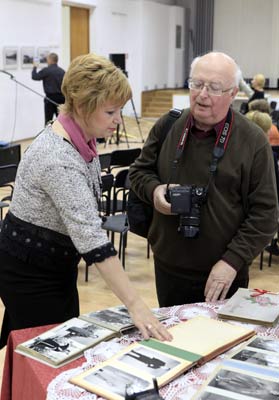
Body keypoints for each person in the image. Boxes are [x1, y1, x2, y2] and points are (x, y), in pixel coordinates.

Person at [0, 53, 172, 349]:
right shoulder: (57, 159)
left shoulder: (81, 139)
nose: (118, 121)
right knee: (46, 353)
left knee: (54, 343)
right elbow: (92, 239)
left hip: (56, 264)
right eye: (110, 112)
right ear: (81, 106)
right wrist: (135, 304)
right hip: (30, 272)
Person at [129, 51, 278, 307]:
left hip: (224, 274)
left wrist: (232, 261)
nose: (202, 94)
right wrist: (155, 191)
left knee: (221, 344)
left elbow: (265, 214)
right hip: (168, 266)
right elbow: (138, 173)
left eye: (214, 87)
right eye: (196, 84)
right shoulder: (168, 125)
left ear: (233, 94)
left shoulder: (252, 141)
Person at [32, 52, 65, 125]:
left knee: (48, 121)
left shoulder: (46, 70)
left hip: (50, 99)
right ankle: (61, 136)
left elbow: (35, 77)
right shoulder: (62, 71)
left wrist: (35, 67)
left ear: (50, 60)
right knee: (61, 122)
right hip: (62, 99)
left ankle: (47, 136)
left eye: (47, 59)